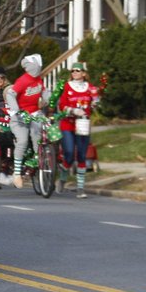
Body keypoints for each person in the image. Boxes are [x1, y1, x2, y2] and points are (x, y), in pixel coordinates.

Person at [57, 62, 99, 198]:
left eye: (77, 70)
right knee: (69, 153)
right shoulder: (67, 87)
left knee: (81, 155)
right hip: (68, 124)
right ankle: (63, 176)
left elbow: (96, 101)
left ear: (84, 73)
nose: (74, 72)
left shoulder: (90, 88)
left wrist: (95, 103)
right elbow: (62, 105)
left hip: (83, 124)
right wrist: (73, 110)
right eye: (73, 70)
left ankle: (80, 188)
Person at [5, 54, 47, 189]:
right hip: (20, 116)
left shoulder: (38, 80)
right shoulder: (23, 80)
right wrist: (16, 110)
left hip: (35, 113)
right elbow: (11, 94)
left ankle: (38, 161)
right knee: (22, 140)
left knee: (39, 138)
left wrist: (50, 98)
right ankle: (17, 174)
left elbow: (44, 91)